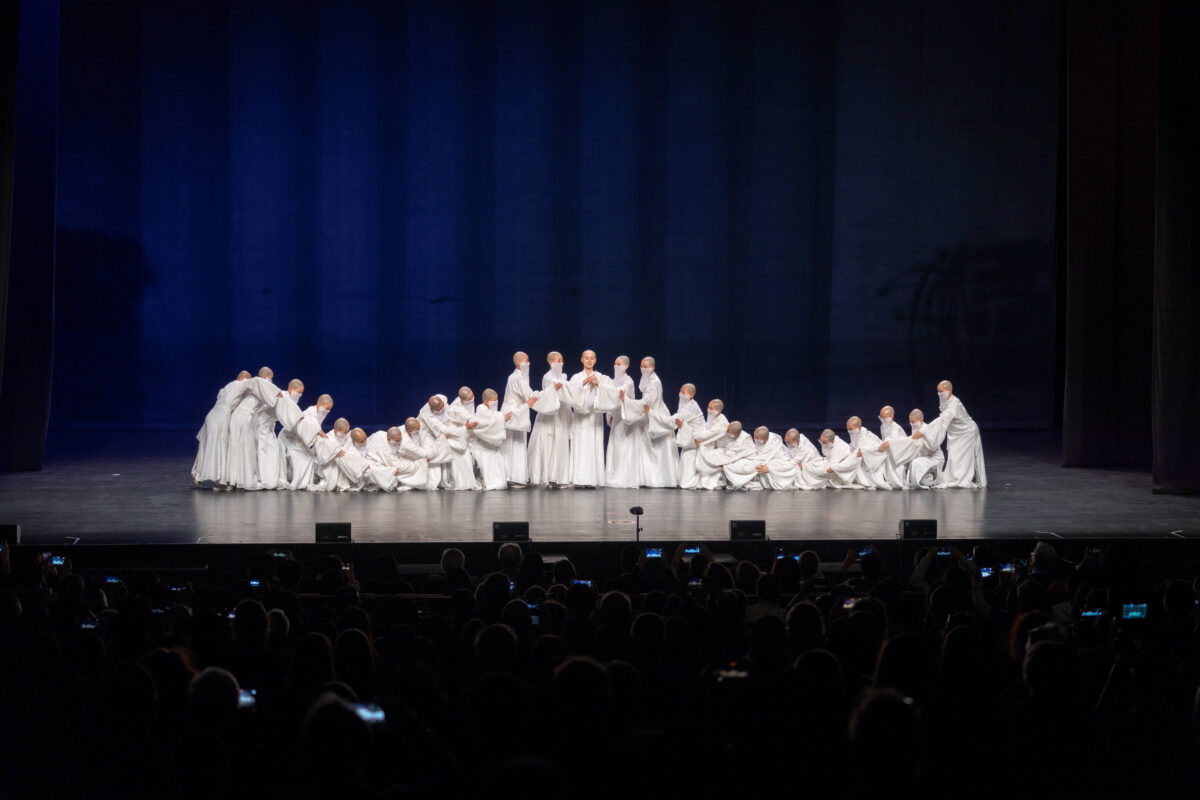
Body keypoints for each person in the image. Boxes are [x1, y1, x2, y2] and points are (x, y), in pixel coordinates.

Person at [192, 370, 253, 488]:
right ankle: (219, 481)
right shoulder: (239, 384)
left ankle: (198, 472)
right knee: (220, 445)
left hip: (211, 415)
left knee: (207, 446)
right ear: (242, 378)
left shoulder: (225, 387)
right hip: (222, 417)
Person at [922, 380, 986, 488]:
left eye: (941, 391)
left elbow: (943, 420)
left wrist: (925, 430)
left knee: (959, 457)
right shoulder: (944, 400)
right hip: (956, 433)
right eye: (937, 391)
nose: (939, 393)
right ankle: (956, 477)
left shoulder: (954, 404)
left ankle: (962, 479)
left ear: (948, 391)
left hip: (967, 432)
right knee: (953, 455)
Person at [626, 357, 679, 487]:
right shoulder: (646, 378)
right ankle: (647, 478)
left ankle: (660, 479)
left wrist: (628, 403)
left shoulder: (654, 381)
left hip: (654, 412)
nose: (643, 369)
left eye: (646, 367)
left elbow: (648, 400)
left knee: (656, 446)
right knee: (646, 446)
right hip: (647, 412)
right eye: (642, 366)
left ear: (653, 367)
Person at [564, 350, 610, 488]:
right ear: (582, 360)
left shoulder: (602, 377)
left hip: (594, 418)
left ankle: (592, 480)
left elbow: (611, 392)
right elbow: (569, 394)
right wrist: (583, 383)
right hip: (580, 419)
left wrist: (598, 385)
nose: (589, 361)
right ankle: (579, 479)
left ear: (595, 360)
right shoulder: (576, 378)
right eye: (586, 358)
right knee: (581, 446)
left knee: (593, 446)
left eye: (592, 359)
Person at [528, 351, 572, 487]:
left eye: (561, 360)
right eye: (558, 361)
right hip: (550, 413)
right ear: (550, 362)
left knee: (561, 443)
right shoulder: (547, 377)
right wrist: (556, 389)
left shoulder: (564, 377)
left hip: (562, 412)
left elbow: (566, 390)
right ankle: (548, 475)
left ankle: (559, 476)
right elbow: (551, 392)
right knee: (549, 442)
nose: (560, 363)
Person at [877, 408, 945, 489]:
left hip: (934, 460)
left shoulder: (927, 430)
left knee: (916, 463)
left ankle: (930, 479)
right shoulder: (916, 430)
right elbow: (911, 441)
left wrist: (891, 443)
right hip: (924, 458)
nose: (911, 424)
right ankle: (922, 480)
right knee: (913, 463)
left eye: (913, 422)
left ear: (921, 419)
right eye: (910, 421)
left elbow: (931, 446)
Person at [279, 394, 333, 490]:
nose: (328, 411)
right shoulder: (310, 413)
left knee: (309, 457)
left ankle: (302, 481)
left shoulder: (319, 413)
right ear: (319, 404)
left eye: (330, 409)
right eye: (327, 408)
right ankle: (299, 483)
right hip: (290, 437)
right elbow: (311, 429)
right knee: (305, 459)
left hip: (299, 437)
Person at [500, 352, 538, 486]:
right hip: (514, 414)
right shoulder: (517, 378)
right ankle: (511, 476)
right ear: (518, 363)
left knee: (515, 444)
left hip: (516, 413)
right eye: (527, 361)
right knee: (512, 444)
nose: (529, 363)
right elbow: (529, 395)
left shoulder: (518, 376)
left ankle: (516, 476)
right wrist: (547, 394)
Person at [603, 356, 640, 488]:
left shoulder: (628, 381)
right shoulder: (614, 381)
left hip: (626, 418)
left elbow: (618, 394)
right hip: (617, 417)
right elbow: (611, 397)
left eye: (618, 364)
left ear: (626, 366)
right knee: (615, 447)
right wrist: (610, 413)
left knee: (624, 447)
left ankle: (624, 477)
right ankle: (613, 474)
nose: (615, 366)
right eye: (614, 363)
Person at [724, 426, 801, 490]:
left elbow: (759, 462)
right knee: (746, 462)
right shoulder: (765, 439)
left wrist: (728, 468)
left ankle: (730, 471)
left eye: (757, 438)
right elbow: (757, 453)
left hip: (778, 464)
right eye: (755, 437)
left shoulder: (773, 444)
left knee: (757, 467)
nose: (755, 439)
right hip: (766, 460)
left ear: (764, 439)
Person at [681, 399, 728, 489]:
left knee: (700, 451)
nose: (708, 410)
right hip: (713, 444)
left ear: (718, 411)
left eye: (711, 408)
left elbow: (707, 435)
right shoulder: (714, 418)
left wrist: (689, 435)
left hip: (722, 450)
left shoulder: (721, 423)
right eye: (708, 407)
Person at [364, 425, 428, 491]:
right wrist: (416, 465)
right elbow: (397, 467)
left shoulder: (380, 433)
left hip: (386, 460)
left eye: (400, 440)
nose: (399, 443)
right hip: (373, 464)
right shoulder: (386, 450)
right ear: (389, 439)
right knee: (395, 472)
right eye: (397, 441)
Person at [695, 421, 755, 490]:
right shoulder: (736, 435)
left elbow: (726, 458)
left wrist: (702, 448)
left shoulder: (742, 443)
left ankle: (720, 479)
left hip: (745, 461)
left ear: (735, 434)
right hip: (733, 455)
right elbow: (728, 450)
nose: (726, 431)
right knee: (715, 452)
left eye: (728, 431)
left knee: (722, 465)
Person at [471, 389, 510, 490]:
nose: (496, 402)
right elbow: (486, 424)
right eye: (494, 400)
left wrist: (501, 418)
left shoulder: (491, 410)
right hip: (482, 445)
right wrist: (502, 418)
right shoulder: (481, 409)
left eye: (497, 400)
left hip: (492, 445)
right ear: (486, 401)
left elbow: (494, 418)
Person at [445, 387, 481, 491]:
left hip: (469, 432)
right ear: (462, 400)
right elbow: (467, 418)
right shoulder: (456, 409)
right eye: (469, 399)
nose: (472, 400)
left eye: (472, 397)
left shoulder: (468, 402)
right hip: (459, 436)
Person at [671, 384, 705, 489]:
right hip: (689, 436)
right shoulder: (686, 404)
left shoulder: (691, 407)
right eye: (680, 391)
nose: (680, 394)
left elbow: (675, 420)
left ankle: (690, 481)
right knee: (685, 457)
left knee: (687, 459)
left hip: (695, 438)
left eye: (683, 392)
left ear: (691, 395)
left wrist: (654, 416)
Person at [418, 394, 455, 489]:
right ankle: (433, 482)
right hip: (427, 432)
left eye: (443, 405)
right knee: (433, 453)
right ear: (433, 409)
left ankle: (447, 478)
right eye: (440, 408)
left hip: (445, 428)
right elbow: (439, 430)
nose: (443, 407)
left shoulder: (442, 399)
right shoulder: (427, 414)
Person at [847, 416, 891, 490]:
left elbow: (881, 449)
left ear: (859, 428)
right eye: (848, 429)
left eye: (851, 429)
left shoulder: (868, 436)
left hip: (873, 463)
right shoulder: (855, 434)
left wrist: (864, 452)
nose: (849, 431)